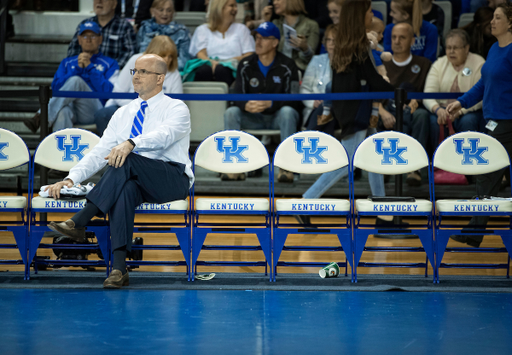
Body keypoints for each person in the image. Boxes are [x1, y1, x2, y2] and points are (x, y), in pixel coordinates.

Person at [45, 54, 194, 288]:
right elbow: (100, 151)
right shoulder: (123, 112)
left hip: (172, 178)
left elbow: (164, 137)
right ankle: (118, 269)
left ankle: (82, 220)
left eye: (144, 71)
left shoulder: (177, 108)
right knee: (124, 189)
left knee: (127, 158)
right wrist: (71, 178)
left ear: (160, 79)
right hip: (134, 177)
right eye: (135, 71)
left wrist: (131, 142)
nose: (136, 76)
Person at [301, 0, 394, 224]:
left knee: (373, 158)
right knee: (347, 163)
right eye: (369, 10)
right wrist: (397, 92)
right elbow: (373, 79)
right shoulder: (358, 44)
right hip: (356, 110)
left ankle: (383, 215)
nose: (372, 13)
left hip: (355, 107)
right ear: (359, 15)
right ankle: (306, 202)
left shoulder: (349, 42)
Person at [446, 3, 512, 247]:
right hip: (493, 121)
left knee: (486, 176)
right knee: (488, 176)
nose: (492, 22)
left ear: (510, 23)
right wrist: (460, 103)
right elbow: (484, 85)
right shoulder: (494, 48)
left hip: (507, 122)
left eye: (497, 18)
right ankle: (474, 231)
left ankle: (474, 232)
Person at [223, 22, 301, 183]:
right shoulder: (245, 64)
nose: (258, 42)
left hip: (277, 118)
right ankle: (233, 167)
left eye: (264, 38)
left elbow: (295, 100)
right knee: (231, 112)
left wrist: (271, 103)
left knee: (288, 112)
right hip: (252, 117)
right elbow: (236, 95)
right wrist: (245, 105)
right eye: (257, 38)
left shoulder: (288, 65)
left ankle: (286, 167)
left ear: (275, 43)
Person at [24, 22, 119, 133]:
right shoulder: (67, 62)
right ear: (79, 40)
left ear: (100, 39)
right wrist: (76, 70)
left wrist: (90, 68)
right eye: (84, 36)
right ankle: (58, 149)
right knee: (62, 113)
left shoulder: (110, 63)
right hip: (71, 109)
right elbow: (56, 89)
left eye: (92, 36)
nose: (88, 40)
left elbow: (110, 92)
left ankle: (41, 117)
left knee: (76, 81)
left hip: (94, 110)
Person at [94, 36, 183, 136]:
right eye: (163, 55)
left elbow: (177, 104)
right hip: (127, 107)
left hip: (156, 114)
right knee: (103, 115)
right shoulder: (135, 61)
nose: (167, 60)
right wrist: (137, 109)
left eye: (170, 56)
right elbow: (118, 92)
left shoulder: (173, 73)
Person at [380, 22, 432, 186]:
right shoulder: (382, 64)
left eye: (402, 37)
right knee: (374, 116)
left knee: (422, 115)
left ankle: (414, 168)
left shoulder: (423, 63)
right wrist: (381, 111)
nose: (397, 41)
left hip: (412, 109)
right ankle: (384, 168)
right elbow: (372, 93)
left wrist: (416, 102)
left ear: (412, 41)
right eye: (394, 37)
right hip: (386, 109)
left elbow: (427, 90)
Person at [424, 29, 485, 151]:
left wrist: (460, 112)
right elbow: (428, 94)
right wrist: (438, 110)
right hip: (442, 109)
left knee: (469, 120)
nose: (451, 51)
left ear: (466, 48)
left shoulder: (479, 63)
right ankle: (437, 161)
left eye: (456, 48)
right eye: (448, 47)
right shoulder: (439, 64)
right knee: (432, 120)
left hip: (468, 110)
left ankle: (466, 161)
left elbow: (481, 96)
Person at [187, 0, 255, 86]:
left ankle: (229, 99)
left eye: (236, 6)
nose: (235, 9)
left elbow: (249, 55)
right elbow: (201, 54)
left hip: (233, 68)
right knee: (204, 70)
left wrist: (227, 62)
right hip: (209, 66)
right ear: (220, 8)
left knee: (221, 70)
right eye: (231, 6)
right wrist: (213, 63)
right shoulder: (202, 29)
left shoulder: (242, 29)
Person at [67, 0, 137, 69]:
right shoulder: (85, 24)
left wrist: (109, 69)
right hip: (84, 72)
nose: (99, 2)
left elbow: (129, 54)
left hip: (113, 74)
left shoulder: (125, 27)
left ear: (114, 4)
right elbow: (73, 52)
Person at [300, 24, 338, 135]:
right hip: (314, 111)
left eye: (335, 40)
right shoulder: (316, 60)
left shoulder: (349, 64)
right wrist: (313, 102)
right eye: (329, 40)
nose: (331, 44)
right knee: (325, 111)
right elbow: (304, 89)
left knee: (327, 107)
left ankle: (308, 137)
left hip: (339, 113)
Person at [261, 0, 320, 71]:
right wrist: (266, 22)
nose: (274, 3)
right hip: (277, 70)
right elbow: (264, 49)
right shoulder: (276, 23)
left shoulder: (311, 25)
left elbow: (310, 59)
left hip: (299, 71)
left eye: (278, 0)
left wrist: (305, 48)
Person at [136, 0, 192, 71]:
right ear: (152, 11)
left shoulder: (182, 32)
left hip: (172, 71)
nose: (165, 13)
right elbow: (138, 55)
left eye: (169, 10)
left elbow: (185, 60)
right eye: (161, 10)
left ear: (173, 13)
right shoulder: (144, 29)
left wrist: (164, 67)